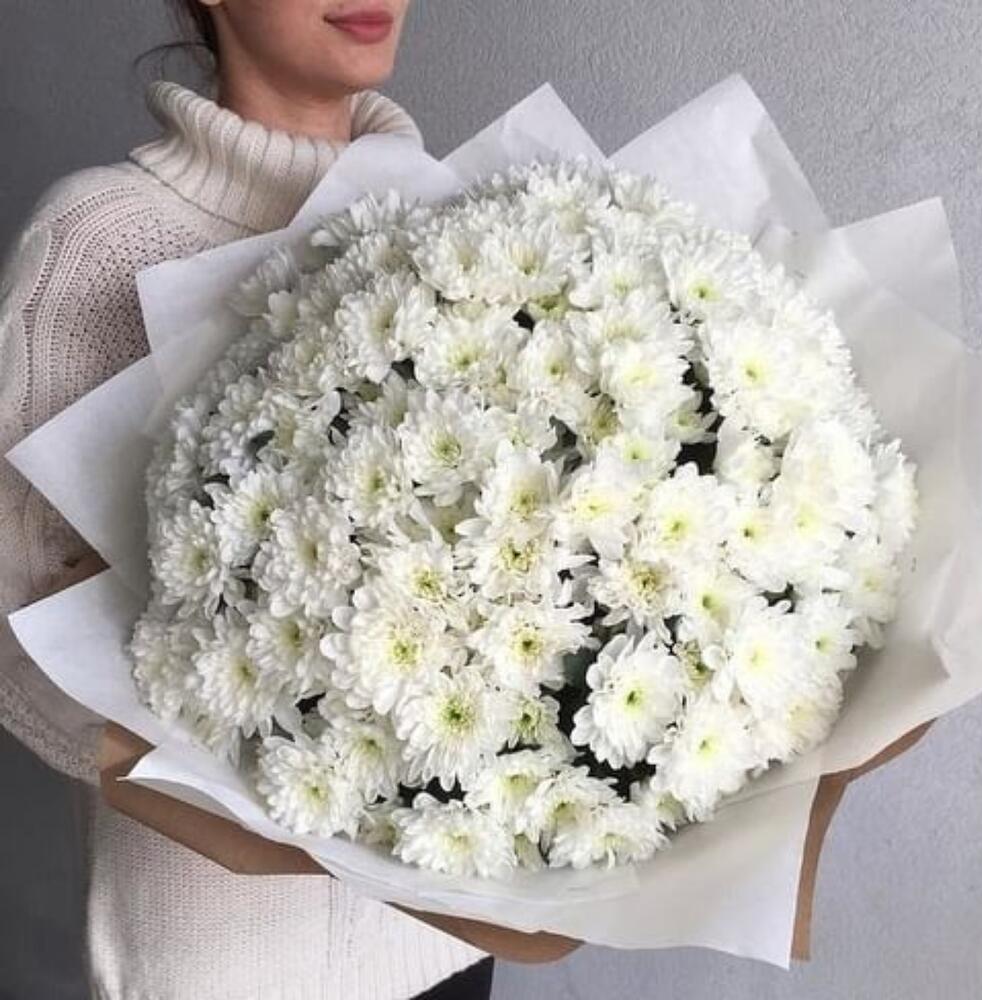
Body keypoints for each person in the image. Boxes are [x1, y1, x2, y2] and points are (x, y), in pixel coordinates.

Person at [0, 2, 576, 996]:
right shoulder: (101, 241)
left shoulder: (464, 225)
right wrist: (259, 791)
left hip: (446, 942)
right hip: (223, 958)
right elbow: (18, 641)